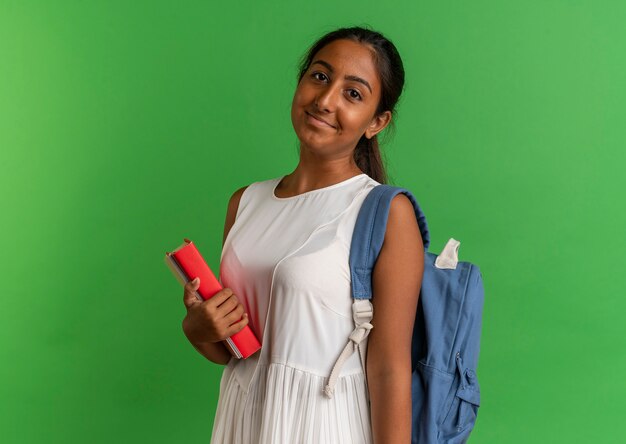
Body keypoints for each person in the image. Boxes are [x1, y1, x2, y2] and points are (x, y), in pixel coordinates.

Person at [181, 26, 425, 443]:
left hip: (325, 427)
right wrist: (198, 329)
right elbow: (240, 354)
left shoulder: (385, 213)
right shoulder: (245, 203)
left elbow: (389, 372)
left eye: (353, 93)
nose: (326, 100)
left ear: (376, 121)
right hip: (244, 423)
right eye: (319, 76)